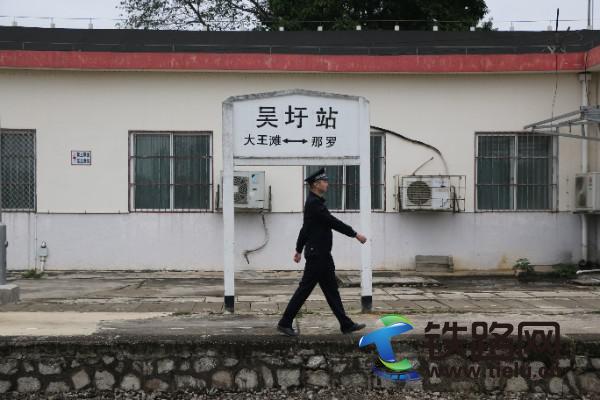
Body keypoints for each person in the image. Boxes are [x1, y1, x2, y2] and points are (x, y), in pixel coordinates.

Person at [277, 167, 367, 336]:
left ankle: (346, 324)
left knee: (332, 291)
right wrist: (355, 234)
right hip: (317, 256)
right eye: (324, 181)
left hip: (322, 255)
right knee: (304, 290)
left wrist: (298, 249)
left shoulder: (314, 203)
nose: (327, 184)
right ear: (316, 184)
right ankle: (285, 322)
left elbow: (305, 229)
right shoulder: (314, 204)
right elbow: (333, 222)